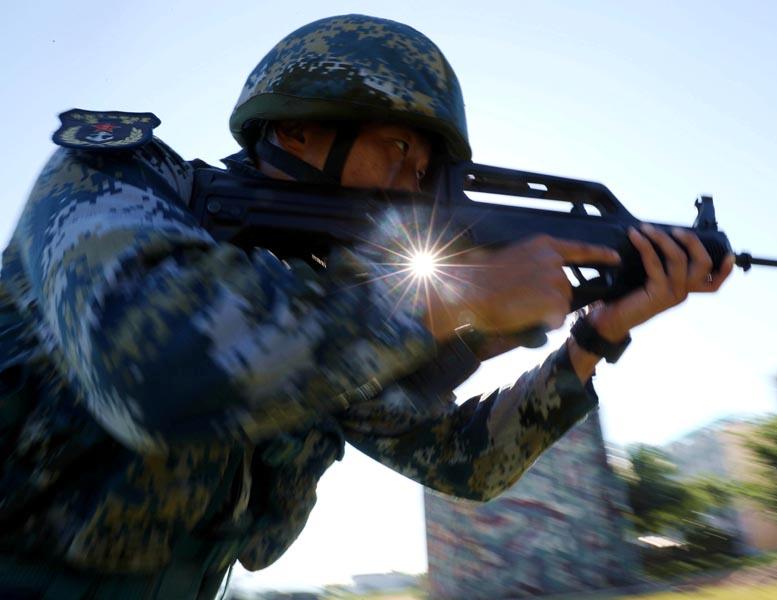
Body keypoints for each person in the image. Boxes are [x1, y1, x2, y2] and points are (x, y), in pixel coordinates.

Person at [0, 14, 732, 599]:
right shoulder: (117, 180)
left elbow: (463, 464)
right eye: (396, 152)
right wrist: (460, 299)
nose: (411, 187)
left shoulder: (325, 303)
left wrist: (594, 339)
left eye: (424, 171)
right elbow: (156, 378)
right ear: (299, 129)